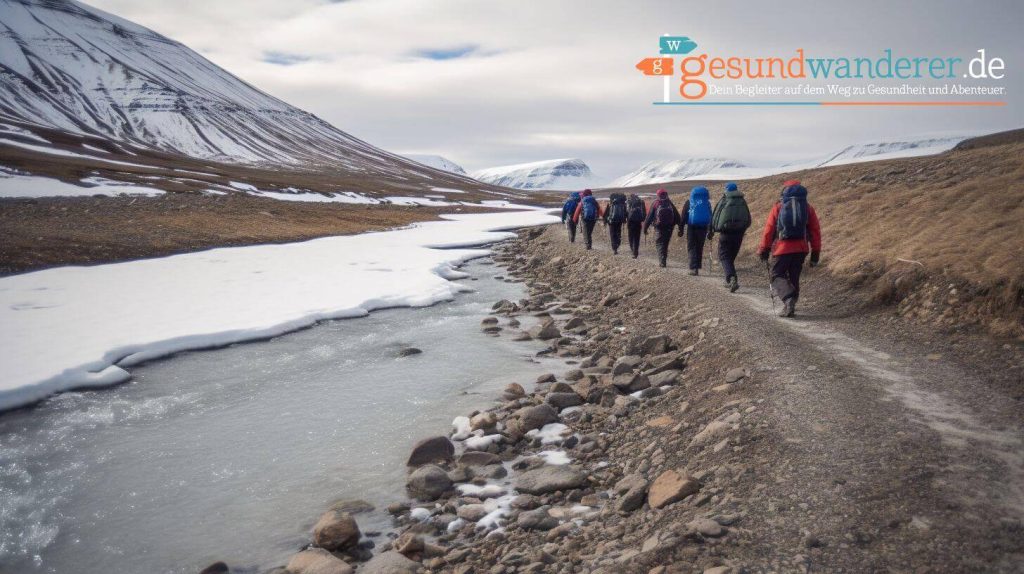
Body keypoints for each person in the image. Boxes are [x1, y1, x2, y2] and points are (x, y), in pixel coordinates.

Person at [757, 180, 822, 317]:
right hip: (801, 248)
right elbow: (815, 230)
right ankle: (791, 305)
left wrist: (764, 249)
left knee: (776, 274)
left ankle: (788, 300)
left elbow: (769, 230)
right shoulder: (808, 208)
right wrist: (815, 252)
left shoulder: (779, 207)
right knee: (794, 276)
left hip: (782, 248)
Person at [708, 182, 752, 292]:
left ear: (726, 189)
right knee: (731, 256)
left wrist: (711, 231)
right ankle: (731, 278)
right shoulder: (742, 201)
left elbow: (715, 216)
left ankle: (731, 279)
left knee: (724, 256)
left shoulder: (724, 200)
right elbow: (748, 219)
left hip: (726, 233)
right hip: (739, 234)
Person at [677, 186, 713, 275]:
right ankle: (697, 266)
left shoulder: (689, 202)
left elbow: (683, 216)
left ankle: (693, 268)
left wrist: (680, 229)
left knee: (691, 247)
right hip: (703, 228)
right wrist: (710, 230)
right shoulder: (707, 203)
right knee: (699, 247)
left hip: (692, 227)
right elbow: (710, 217)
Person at [642, 188, 680, 267]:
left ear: (658, 195)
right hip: (669, 227)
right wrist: (680, 227)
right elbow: (677, 216)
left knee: (659, 243)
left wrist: (645, 228)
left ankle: (662, 261)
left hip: (659, 227)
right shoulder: (669, 203)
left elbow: (649, 217)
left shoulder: (656, 203)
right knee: (665, 243)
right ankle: (663, 259)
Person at [625, 193, 647, 258]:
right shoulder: (640, 202)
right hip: (638, 222)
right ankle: (635, 252)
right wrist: (642, 219)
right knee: (637, 238)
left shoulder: (629, 202)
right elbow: (644, 212)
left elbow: (626, 212)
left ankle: (632, 250)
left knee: (631, 237)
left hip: (630, 222)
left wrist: (626, 219)